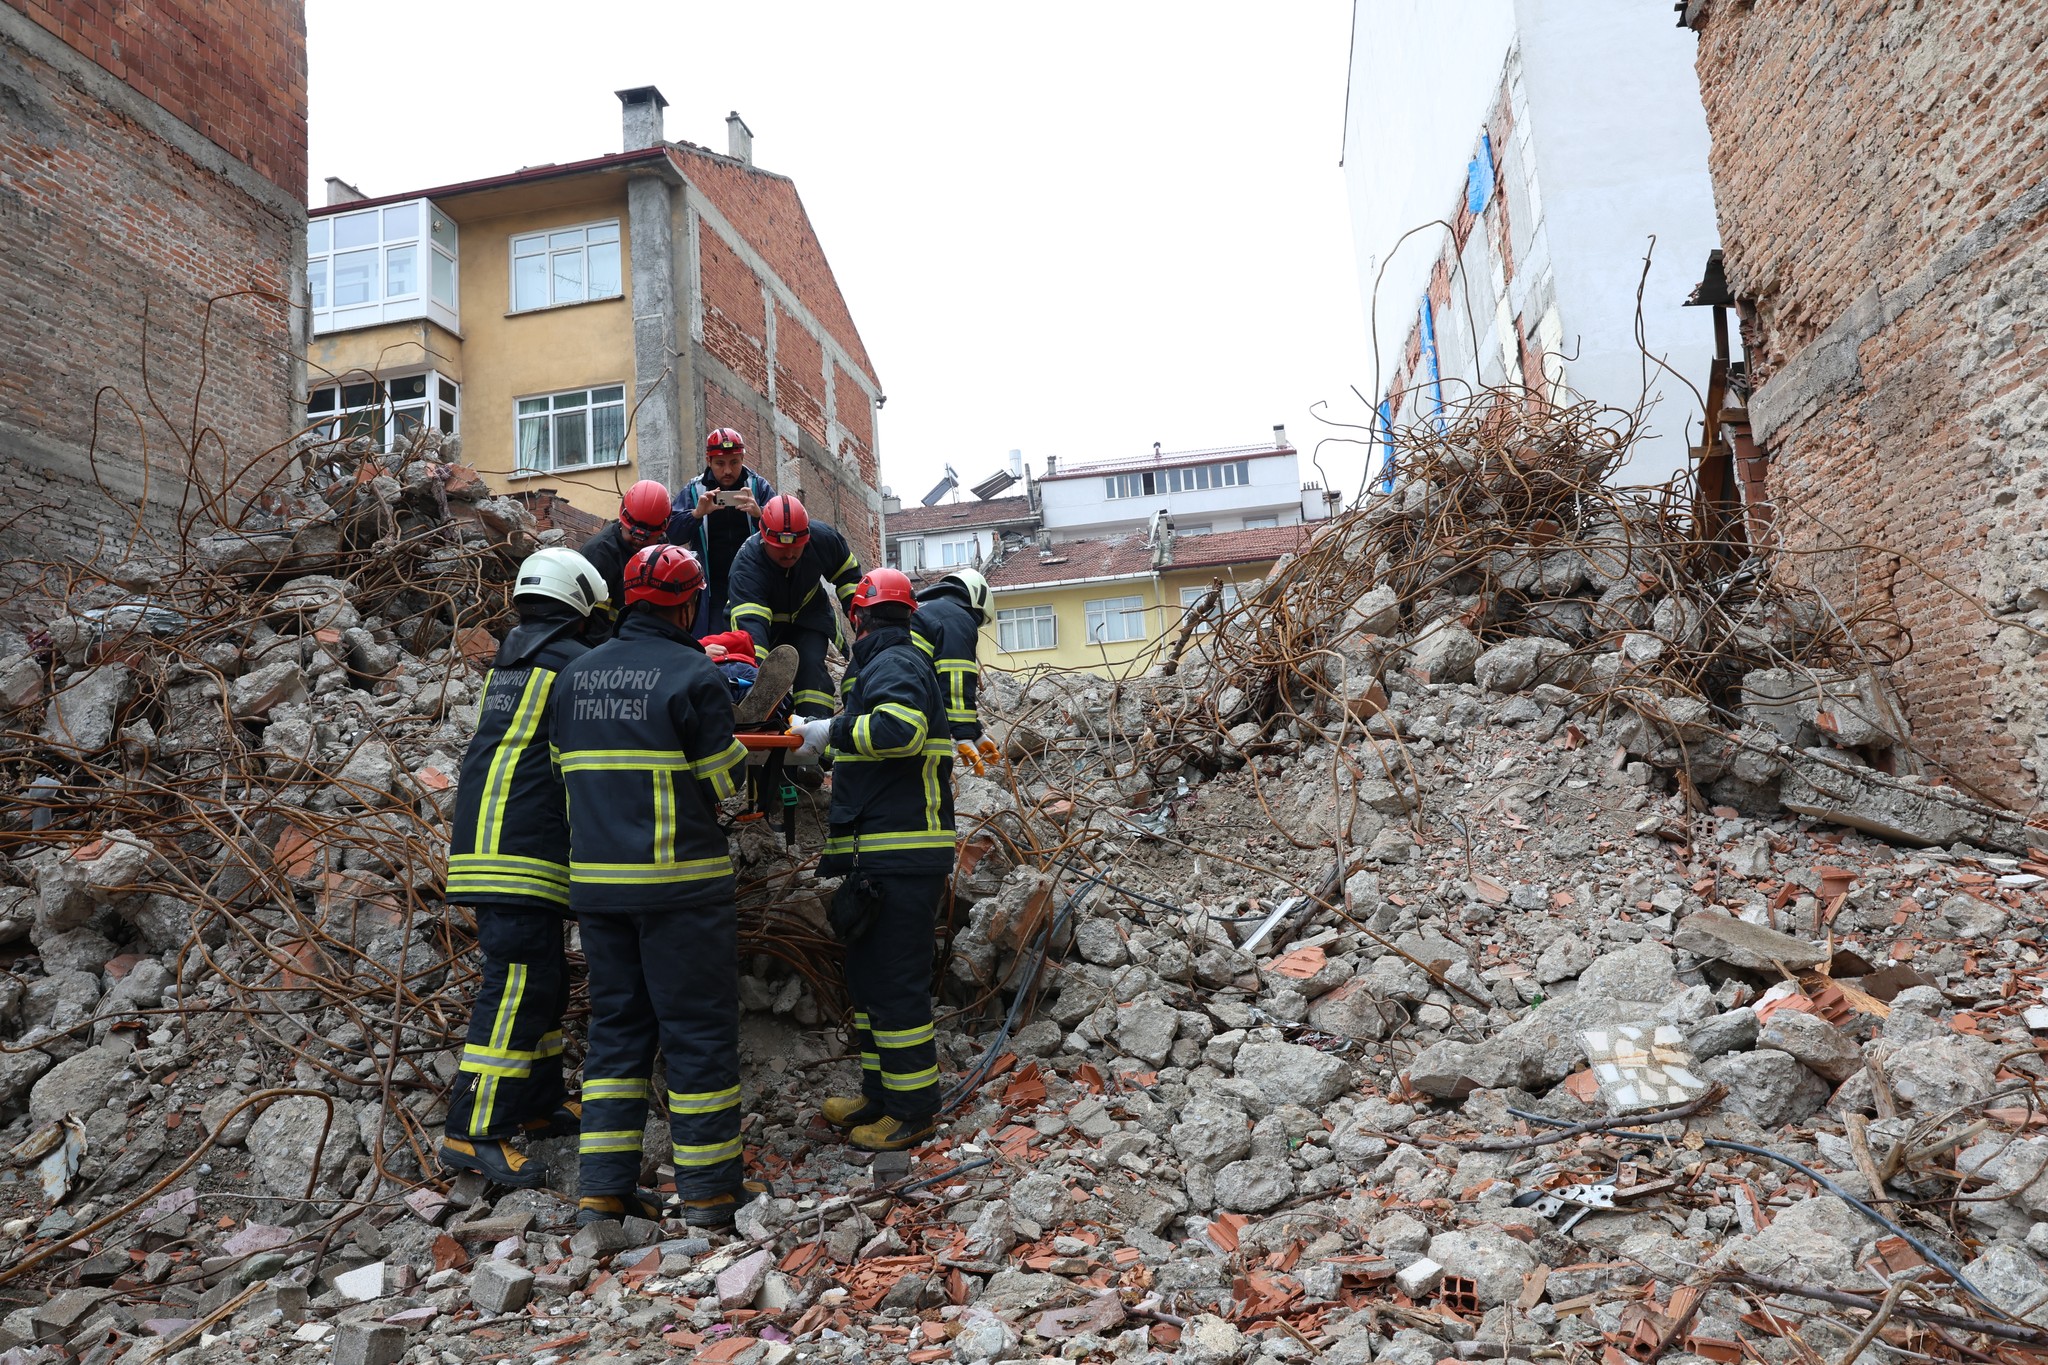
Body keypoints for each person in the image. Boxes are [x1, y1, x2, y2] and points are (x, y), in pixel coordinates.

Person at [549, 543, 754, 1227]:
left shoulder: (573, 677)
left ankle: (602, 1191)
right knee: (696, 1034)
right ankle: (709, 1192)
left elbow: (563, 771)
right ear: (690, 605)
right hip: (680, 890)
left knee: (616, 1034)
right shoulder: (694, 674)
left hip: (598, 891)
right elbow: (725, 782)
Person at [440, 547, 610, 1188]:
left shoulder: (512, 662)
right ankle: (474, 1130)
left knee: (542, 981)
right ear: (580, 605)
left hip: (494, 844)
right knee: (515, 986)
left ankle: (536, 1103)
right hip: (521, 850)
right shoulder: (571, 664)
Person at [788, 568, 955, 1152]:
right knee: (869, 983)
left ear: (856, 616)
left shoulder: (894, 662)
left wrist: (828, 731)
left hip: (901, 856)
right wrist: (826, 741)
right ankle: (879, 1095)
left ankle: (913, 1112)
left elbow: (899, 731)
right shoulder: (885, 661)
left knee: (895, 988)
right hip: (882, 855)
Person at [725, 494, 862, 718]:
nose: (789, 554)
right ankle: (763, 724)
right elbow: (752, 627)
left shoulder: (823, 539)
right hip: (762, 627)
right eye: (780, 548)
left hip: (808, 617)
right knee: (761, 679)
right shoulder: (747, 566)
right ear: (764, 539)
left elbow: (850, 579)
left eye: (796, 547)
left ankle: (817, 728)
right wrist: (758, 677)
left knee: (812, 669)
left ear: (807, 537)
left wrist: (863, 624)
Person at [667, 428, 777, 639]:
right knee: (716, 643)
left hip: (752, 582)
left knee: (754, 639)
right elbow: (672, 534)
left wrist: (760, 514)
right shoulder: (694, 490)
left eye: (734, 462)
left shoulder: (758, 486)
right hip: (711, 590)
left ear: (743, 458)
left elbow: (781, 530)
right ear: (708, 461)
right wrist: (696, 514)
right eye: (720, 463)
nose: (728, 470)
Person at [911, 567, 1002, 773]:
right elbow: (956, 678)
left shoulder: (919, 610)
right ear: (978, 603)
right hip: (913, 702)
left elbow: (938, 685)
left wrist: (976, 732)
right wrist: (963, 734)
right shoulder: (957, 616)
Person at [578, 479, 673, 633]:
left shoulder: (663, 553)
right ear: (623, 519)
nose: (638, 541)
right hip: (605, 642)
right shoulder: (598, 554)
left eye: (647, 538)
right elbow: (589, 625)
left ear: (661, 531)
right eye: (632, 533)